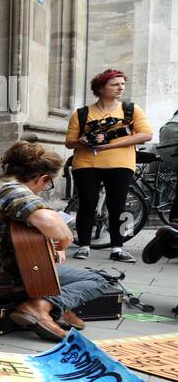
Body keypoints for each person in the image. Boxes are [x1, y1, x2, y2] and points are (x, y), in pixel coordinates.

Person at [0, 141, 112, 341]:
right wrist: (65, 239)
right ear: (43, 179)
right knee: (98, 280)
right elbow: (47, 221)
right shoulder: (12, 190)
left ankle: (52, 309)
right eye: (47, 185)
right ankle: (39, 306)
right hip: (0, 287)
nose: (43, 189)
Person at [64, 68, 152, 263]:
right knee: (87, 204)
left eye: (122, 84)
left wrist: (110, 144)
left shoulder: (131, 110)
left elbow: (146, 134)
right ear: (101, 88)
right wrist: (84, 140)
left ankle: (118, 248)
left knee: (118, 206)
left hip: (121, 163)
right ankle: (84, 246)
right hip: (87, 163)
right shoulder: (82, 113)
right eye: (115, 84)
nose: (121, 87)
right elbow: (69, 142)